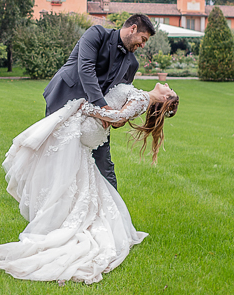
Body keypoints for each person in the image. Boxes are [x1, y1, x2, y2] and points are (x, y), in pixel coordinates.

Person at [0, 79, 179, 283]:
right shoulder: (141, 96)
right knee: (74, 178)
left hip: (86, 126)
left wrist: (88, 108)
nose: (166, 84)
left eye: (170, 89)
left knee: (56, 168)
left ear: (165, 98)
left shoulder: (142, 98)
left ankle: (59, 219)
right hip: (90, 129)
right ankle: (63, 216)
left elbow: (119, 116)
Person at [43, 14, 157, 188]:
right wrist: (104, 109)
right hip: (64, 100)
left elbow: (121, 92)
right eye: (143, 39)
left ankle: (115, 212)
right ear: (132, 28)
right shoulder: (96, 33)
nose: (142, 45)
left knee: (104, 161)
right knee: (57, 155)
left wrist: (120, 117)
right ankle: (52, 204)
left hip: (96, 116)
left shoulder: (132, 63)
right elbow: (85, 69)